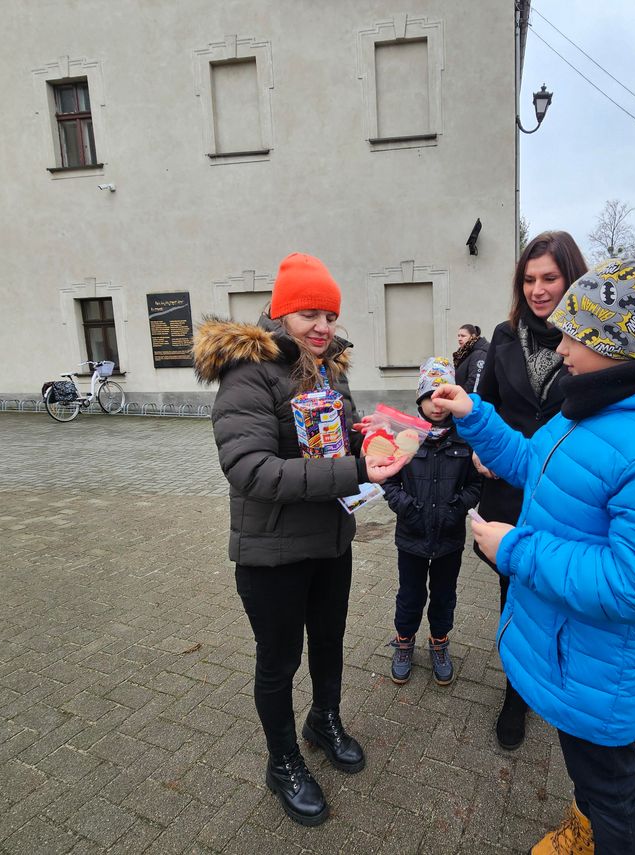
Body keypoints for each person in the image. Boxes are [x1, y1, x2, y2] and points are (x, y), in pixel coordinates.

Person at [431, 257, 635, 855]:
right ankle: (585, 827)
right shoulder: (594, 406)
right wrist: (474, 416)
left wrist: (516, 549)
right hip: (578, 650)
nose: (560, 348)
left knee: (614, 789)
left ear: (612, 342)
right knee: (592, 775)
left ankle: (602, 835)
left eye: (572, 334)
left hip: (604, 666)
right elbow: (534, 464)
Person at [193, 253, 408, 827]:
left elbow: (342, 437)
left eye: (330, 314)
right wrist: (356, 470)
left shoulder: (330, 368)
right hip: (272, 554)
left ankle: (325, 720)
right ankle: (282, 760)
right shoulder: (249, 374)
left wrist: (380, 436)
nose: (322, 326)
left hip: (330, 542)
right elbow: (252, 471)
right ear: (281, 313)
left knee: (330, 642)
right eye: (309, 313)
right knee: (280, 660)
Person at [476, 229, 588, 750]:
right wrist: (482, 444)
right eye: (529, 279)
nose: (538, 289)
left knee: (562, 582)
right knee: (513, 584)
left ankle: (561, 676)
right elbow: (489, 401)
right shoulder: (503, 335)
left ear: (571, 278)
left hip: (566, 488)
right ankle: (516, 691)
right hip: (509, 482)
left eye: (550, 278)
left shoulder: (591, 339)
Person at [383, 357, 482, 686]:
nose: (435, 405)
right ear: (420, 400)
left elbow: (476, 485)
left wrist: (457, 508)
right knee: (409, 594)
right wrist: (406, 506)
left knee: (444, 594)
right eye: (429, 397)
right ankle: (404, 641)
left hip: (449, 538)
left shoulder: (465, 440)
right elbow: (388, 480)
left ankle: (439, 642)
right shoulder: (406, 435)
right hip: (411, 535)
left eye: (443, 397)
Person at [453, 324, 489, 393]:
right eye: (458, 336)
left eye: (463, 336)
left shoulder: (479, 353)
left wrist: (464, 396)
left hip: (472, 399)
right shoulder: (465, 353)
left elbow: (475, 380)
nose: (459, 339)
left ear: (472, 336)